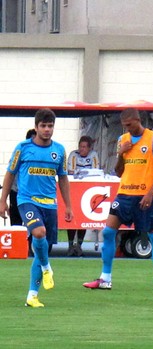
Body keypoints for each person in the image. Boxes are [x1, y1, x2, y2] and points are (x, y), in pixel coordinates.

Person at [82, 108, 153, 292]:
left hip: (147, 195)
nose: (127, 129)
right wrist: (121, 153)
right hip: (124, 194)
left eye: (129, 125)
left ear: (138, 120)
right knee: (107, 232)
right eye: (124, 126)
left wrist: (150, 193)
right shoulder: (123, 140)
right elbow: (119, 171)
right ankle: (105, 279)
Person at [0, 108, 73, 308]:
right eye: (43, 126)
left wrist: (68, 205)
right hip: (27, 200)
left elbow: (63, 178)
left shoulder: (58, 150)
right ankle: (48, 267)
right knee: (39, 233)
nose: (47, 130)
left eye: (50, 126)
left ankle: (32, 296)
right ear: (36, 127)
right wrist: (2, 200)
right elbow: (10, 174)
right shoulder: (22, 148)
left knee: (43, 248)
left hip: (50, 204)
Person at [66, 135, 100, 257]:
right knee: (71, 219)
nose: (81, 149)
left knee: (83, 220)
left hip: (87, 191)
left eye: (84, 147)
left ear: (89, 148)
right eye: (80, 146)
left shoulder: (93, 155)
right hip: (74, 191)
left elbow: (96, 172)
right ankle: (70, 245)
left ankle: (79, 245)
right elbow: (70, 171)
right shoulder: (73, 155)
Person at [9, 128, 37, 227]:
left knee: (32, 224)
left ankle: (29, 243)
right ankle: (17, 242)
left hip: (32, 195)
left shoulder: (41, 154)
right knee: (16, 223)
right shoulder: (19, 151)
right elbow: (10, 174)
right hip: (16, 192)